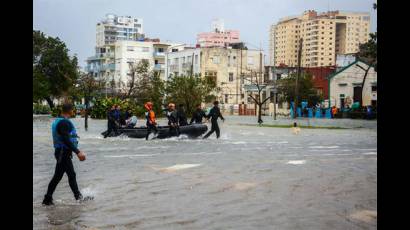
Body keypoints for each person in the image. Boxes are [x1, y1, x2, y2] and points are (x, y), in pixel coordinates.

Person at [42, 103, 87, 206]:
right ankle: (78, 198)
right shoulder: (64, 123)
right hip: (63, 152)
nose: (73, 112)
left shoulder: (59, 120)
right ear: (70, 111)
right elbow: (65, 139)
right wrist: (78, 152)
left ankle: (47, 199)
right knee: (71, 175)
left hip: (61, 152)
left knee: (58, 176)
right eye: (73, 110)